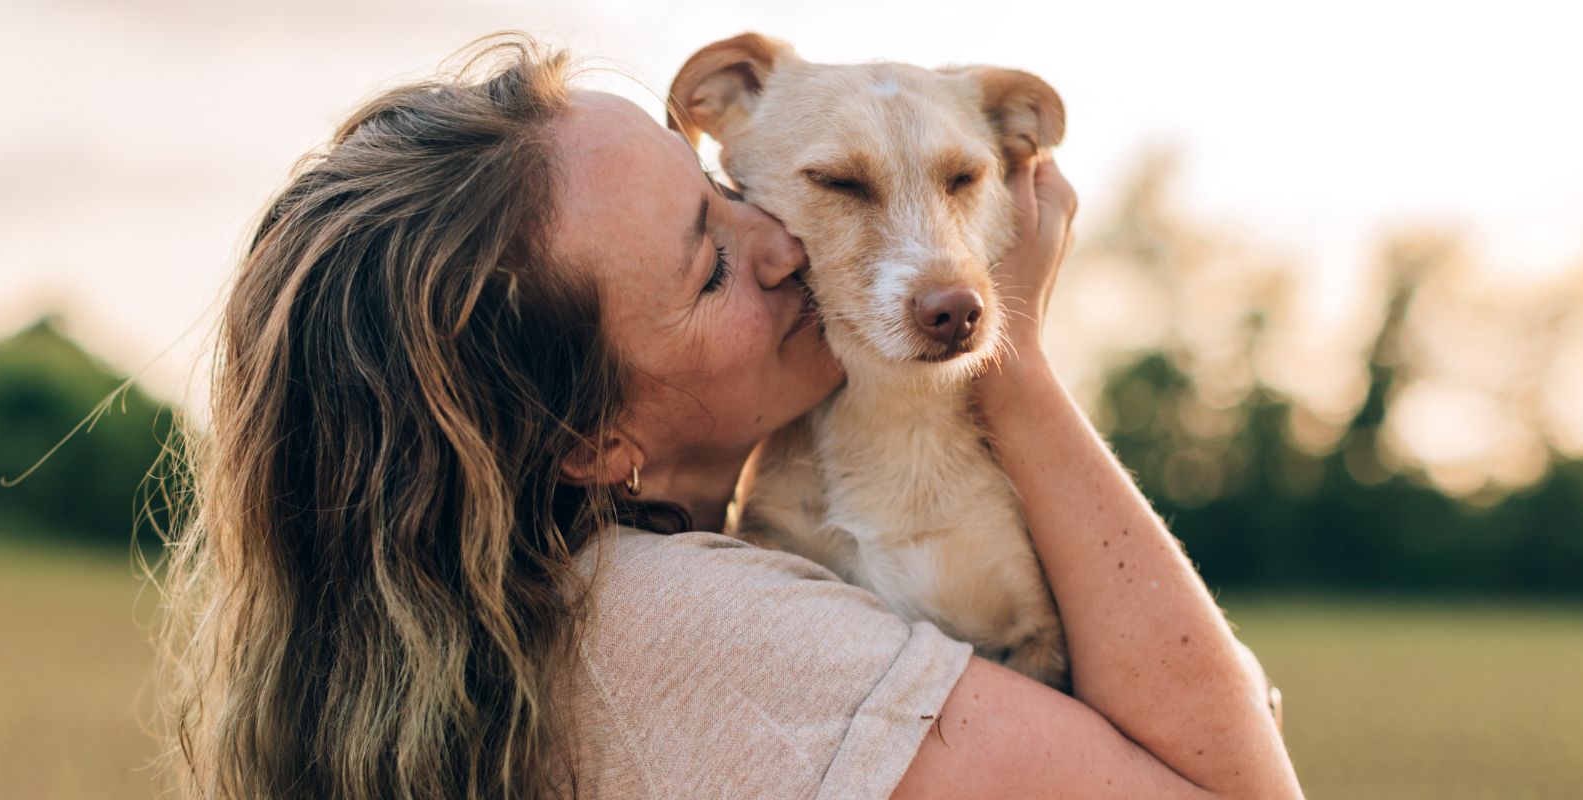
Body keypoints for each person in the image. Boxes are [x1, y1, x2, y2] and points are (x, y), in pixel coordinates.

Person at [158, 35, 1302, 799]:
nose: (782, 247)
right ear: (590, 440)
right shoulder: (685, 621)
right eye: (711, 266)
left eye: (725, 195)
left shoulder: (558, 596)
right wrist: (1020, 354)